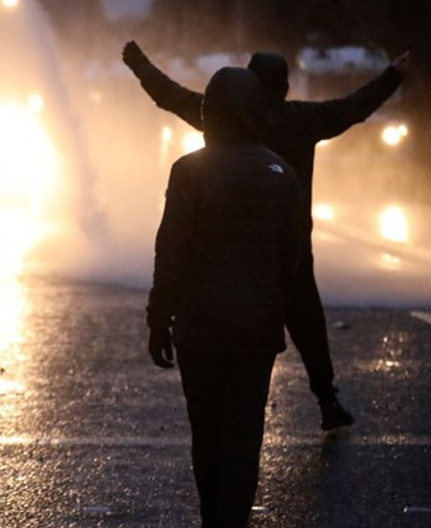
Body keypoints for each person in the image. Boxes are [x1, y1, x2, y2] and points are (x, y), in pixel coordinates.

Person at [123, 41, 410, 430]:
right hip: (287, 252)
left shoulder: (219, 118)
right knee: (309, 325)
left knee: (224, 328)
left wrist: (139, 62)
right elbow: (354, 107)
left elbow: (170, 95)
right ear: (285, 85)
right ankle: (327, 400)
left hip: (223, 251)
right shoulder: (303, 120)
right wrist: (392, 74)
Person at [147, 67, 302, 528]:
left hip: (201, 325)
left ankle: (212, 518)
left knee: (207, 431)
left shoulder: (189, 171)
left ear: (208, 113)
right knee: (244, 433)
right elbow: (292, 257)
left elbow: (171, 249)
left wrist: (159, 318)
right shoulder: (282, 173)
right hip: (256, 328)